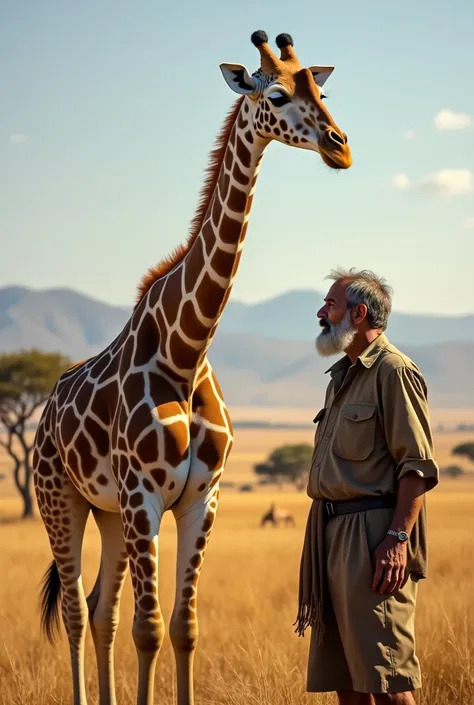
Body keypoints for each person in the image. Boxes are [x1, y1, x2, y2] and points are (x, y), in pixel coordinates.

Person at [295, 268, 439, 705]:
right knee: (347, 677)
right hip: (330, 531)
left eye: (330, 306)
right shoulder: (344, 375)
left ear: (358, 314)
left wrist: (397, 539)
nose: (321, 313)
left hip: (373, 535)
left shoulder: (394, 372)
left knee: (387, 676)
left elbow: (415, 466)